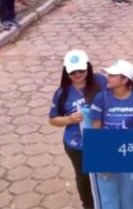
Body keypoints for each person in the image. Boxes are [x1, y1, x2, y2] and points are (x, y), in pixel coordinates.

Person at [48, 50, 106, 209]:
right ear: (66, 72)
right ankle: (88, 205)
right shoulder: (62, 93)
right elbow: (52, 119)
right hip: (77, 145)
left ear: (88, 67)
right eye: (73, 72)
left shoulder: (101, 81)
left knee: (105, 175)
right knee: (84, 177)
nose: (78, 74)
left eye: (81, 70)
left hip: (102, 140)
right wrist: (68, 119)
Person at [91, 60, 133, 209]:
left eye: (112, 75)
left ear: (124, 80)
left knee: (130, 196)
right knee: (109, 198)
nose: (107, 77)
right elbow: (96, 129)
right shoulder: (101, 98)